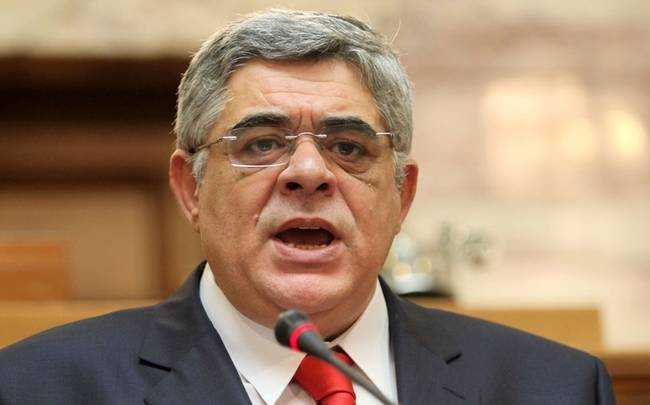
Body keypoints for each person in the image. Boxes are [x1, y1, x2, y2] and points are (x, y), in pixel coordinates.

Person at [0, 9, 614, 405]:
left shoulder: (553, 389)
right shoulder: (39, 388)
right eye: (261, 144)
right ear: (190, 190)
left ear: (401, 196)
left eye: (348, 147)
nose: (308, 174)